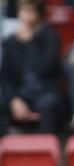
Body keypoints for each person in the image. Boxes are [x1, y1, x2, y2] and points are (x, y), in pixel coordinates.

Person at [0, 0, 62, 135]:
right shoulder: (10, 42)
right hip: (20, 93)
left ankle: (44, 150)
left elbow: (46, 68)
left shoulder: (50, 37)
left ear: (38, 13)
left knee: (50, 104)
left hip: (44, 91)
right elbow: (6, 77)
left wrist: (31, 42)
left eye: (30, 10)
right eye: (23, 10)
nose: (26, 15)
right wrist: (14, 99)